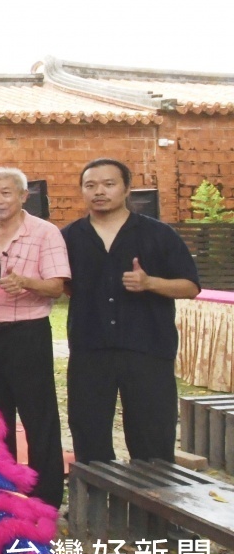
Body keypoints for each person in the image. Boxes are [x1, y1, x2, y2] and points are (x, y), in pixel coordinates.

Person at [63, 158, 200, 463]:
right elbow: (60, 284)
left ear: (126, 188)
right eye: (91, 185)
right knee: (88, 433)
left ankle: (153, 506)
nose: (100, 191)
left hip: (147, 347)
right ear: (82, 191)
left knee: (152, 436)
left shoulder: (158, 234)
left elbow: (190, 286)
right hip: (90, 348)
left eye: (109, 184)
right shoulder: (68, 237)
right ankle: (96, 508)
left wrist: (150, 282)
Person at [0, 167, 71, 509]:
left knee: (37, 417)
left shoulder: (45, 233)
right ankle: (5, 489)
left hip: (27, 335)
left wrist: (27, 282)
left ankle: (46, 498)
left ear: (23, 196)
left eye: (5, 193)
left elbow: (57, 286)